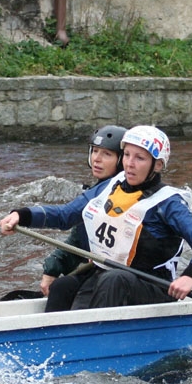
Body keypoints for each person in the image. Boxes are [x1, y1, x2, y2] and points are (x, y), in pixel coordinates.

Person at [0, 125, 192, 309]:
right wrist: (22, 215)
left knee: (114, 279)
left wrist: (190, 276)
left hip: (154, 288)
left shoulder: (169, 203)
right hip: (107, 278)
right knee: (62, 286)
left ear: (158, 164)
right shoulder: (110, 185)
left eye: (140, 158)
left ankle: (96, 341)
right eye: (128, 156)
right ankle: (55, 344)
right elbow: (65, 215)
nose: (130, 164)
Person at [38, 124, 126, 312]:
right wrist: (52, 269)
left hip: (119, 276)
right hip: (96, 269)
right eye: (95, 151)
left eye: (107, 154)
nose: (97, 159)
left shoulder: (124, 194)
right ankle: (52, 336)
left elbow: (63, 216)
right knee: (61, 287)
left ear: (121, 161)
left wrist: (22, 215)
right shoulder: (92, 193)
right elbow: (78, 240)